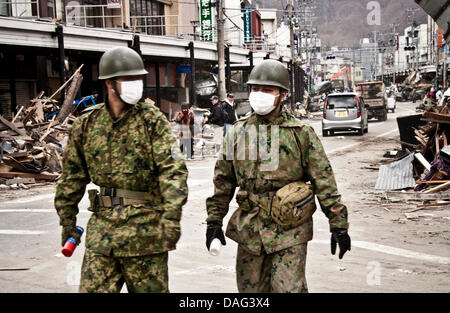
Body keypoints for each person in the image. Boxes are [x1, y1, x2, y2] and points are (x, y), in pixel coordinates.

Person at [205, 59, 350, 293]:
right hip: (250, 230)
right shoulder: (238, 133)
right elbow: (223, 182)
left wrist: (339, 225)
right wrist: (214, 222)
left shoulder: (301, 134)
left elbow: (324, 182)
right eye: (255, 89)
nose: (259, 94)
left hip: (290, 230)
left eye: (267, 90)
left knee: (288, 289)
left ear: (282, 95)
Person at [55, 46, 188, 293]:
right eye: (128, 79)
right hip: (102, 237)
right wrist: (67, 223)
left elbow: (173, 172)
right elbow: (72, 178)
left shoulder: (152, 121)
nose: (136, 84)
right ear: (109, 83)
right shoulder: (87, 124)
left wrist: (171, 220)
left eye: (138, 78)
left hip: (146, 237)